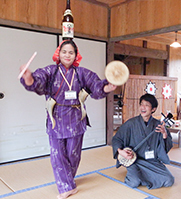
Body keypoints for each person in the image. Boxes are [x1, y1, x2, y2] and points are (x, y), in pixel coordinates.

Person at [20, 40, 116, 199]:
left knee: (73, 155)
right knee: (57, 155)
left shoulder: (82, 73)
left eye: (71, 52)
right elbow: (38, 80)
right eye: (64, 51)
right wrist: (29, 79)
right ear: (59, 53)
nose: (67, 55)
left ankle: (67, 182)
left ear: (76, 56)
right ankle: (67, 187)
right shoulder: (50, 71)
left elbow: (96, 87)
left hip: (76, 119)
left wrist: (107, 87)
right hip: (56, 119)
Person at [112, 93, 174, 189]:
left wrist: (164, 134)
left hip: (152, 162)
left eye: (147, 105)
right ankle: (137, 174)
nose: (142, 107)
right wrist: (121, 152)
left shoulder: (158, 125)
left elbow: (165, 147)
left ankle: (142, 176)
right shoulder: (131, 123)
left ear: (153, 109)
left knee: (169, 180)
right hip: (134, 160)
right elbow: (117, 138)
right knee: (133, 183)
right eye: (141, 104)